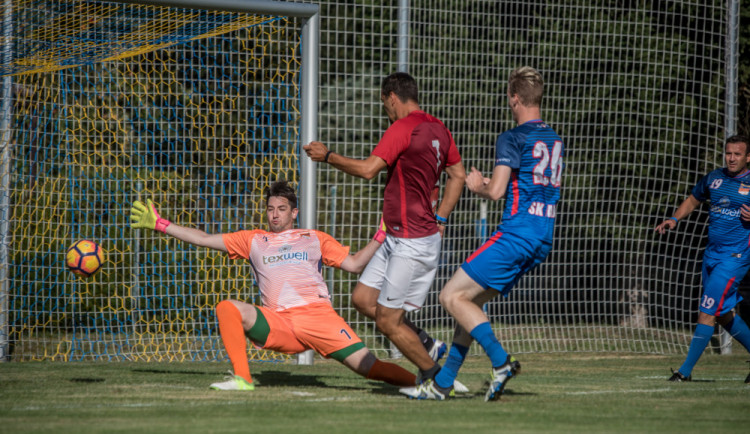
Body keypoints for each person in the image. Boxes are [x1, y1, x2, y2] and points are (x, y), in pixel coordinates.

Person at [129, 180, 417, 390]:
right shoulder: (253, 240)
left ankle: (429, 382)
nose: (275, 214)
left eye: (281, 208)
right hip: (280, 322)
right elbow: (203, 238)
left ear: (294, 213)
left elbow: (354, 264)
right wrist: (160, 224)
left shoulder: (314, 238)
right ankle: (243, 379)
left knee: (370, 368)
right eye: (270, 209)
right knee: (228, 307)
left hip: (319, 318)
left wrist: (381, 235)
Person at [400, 66, 564, 401]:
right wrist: (493, 184)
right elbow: (527, 186)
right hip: (542, 236)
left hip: (517, 234)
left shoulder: (512, 136)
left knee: (450, 297)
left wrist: (479, 186)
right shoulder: (553, 138)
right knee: (469, 304)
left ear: (514, 98)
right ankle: (443, 384)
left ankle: (501, 361)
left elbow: (498, 191)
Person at [303, 72, 466, 384]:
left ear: (392, 97)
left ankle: (437, 381)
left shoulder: (402, 127)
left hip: (410, 240)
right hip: (400, 235)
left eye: (384, 104)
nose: (385, 111)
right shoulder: (439, 127)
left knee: (387, 321)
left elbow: (367, 170)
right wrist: (442, 218)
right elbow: (457, 175)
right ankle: (427, 344)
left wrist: (328, 156)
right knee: (363, 300)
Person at [654, 134, 750, 383]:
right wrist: (674, 219)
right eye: (728, 153)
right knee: (723, 314)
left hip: (735, 258)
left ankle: (684, 372)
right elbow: (693, 199)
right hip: (711, 256)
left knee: (706, 311)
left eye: (737, 154)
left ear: (747, 157)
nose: (731, 158)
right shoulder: (714, 178)